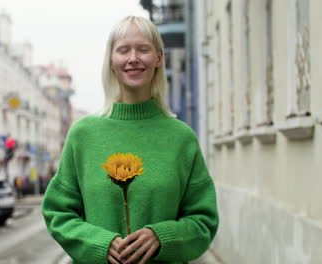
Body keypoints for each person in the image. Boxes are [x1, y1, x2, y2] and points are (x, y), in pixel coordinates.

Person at [42, 16, 219, 264]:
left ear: (158, 58)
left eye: (143, 49)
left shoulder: (182, 138)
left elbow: (204, 221)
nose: (133, 58)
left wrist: (161, 237)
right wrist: (99, 243)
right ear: (112, 61)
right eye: (123, 50)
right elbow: (57, 212)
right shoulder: (83, 134)